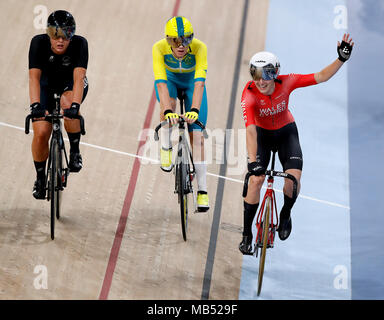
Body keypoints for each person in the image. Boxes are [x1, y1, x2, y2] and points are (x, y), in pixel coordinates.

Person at [239, 34, 354, 254]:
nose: (261, 81)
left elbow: (320, 76)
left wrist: (340, 59)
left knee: (292, 181)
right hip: (262, 136)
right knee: (255, 180)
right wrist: (253, 162)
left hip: (285, 134)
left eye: (267, 75)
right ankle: (246, 233)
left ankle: (285, 213)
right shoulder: (249, 95)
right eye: (256, 74)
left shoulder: (287, 82)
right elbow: (251, 131)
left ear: (276, 74)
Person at [28, 10, 89, 199]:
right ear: (48, 33)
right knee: (41, 133)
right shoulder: (38, 43)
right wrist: (36, 105)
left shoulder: (80, 44)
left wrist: (75, 107)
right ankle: (40, 178)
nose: (60, 40)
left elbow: (79, 79)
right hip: (46, 86)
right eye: (55, 34)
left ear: (72, 34)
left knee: (68, 105)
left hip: (70, 85)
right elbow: (34, 78)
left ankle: (75, 151)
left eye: (65, 35)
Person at [152, 16, 209, 212]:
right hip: (170, 81)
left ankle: (202, 191)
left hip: (193, 83)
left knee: (198, 137)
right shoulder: (158, 48)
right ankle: (166, 147)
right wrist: (167, 110)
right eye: (176, 41)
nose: (182, 45)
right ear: (168, 40)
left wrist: (194, 110)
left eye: (186, 39)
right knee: (170, 105)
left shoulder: (200, 48)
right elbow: (160, 84)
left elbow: (200, 82)